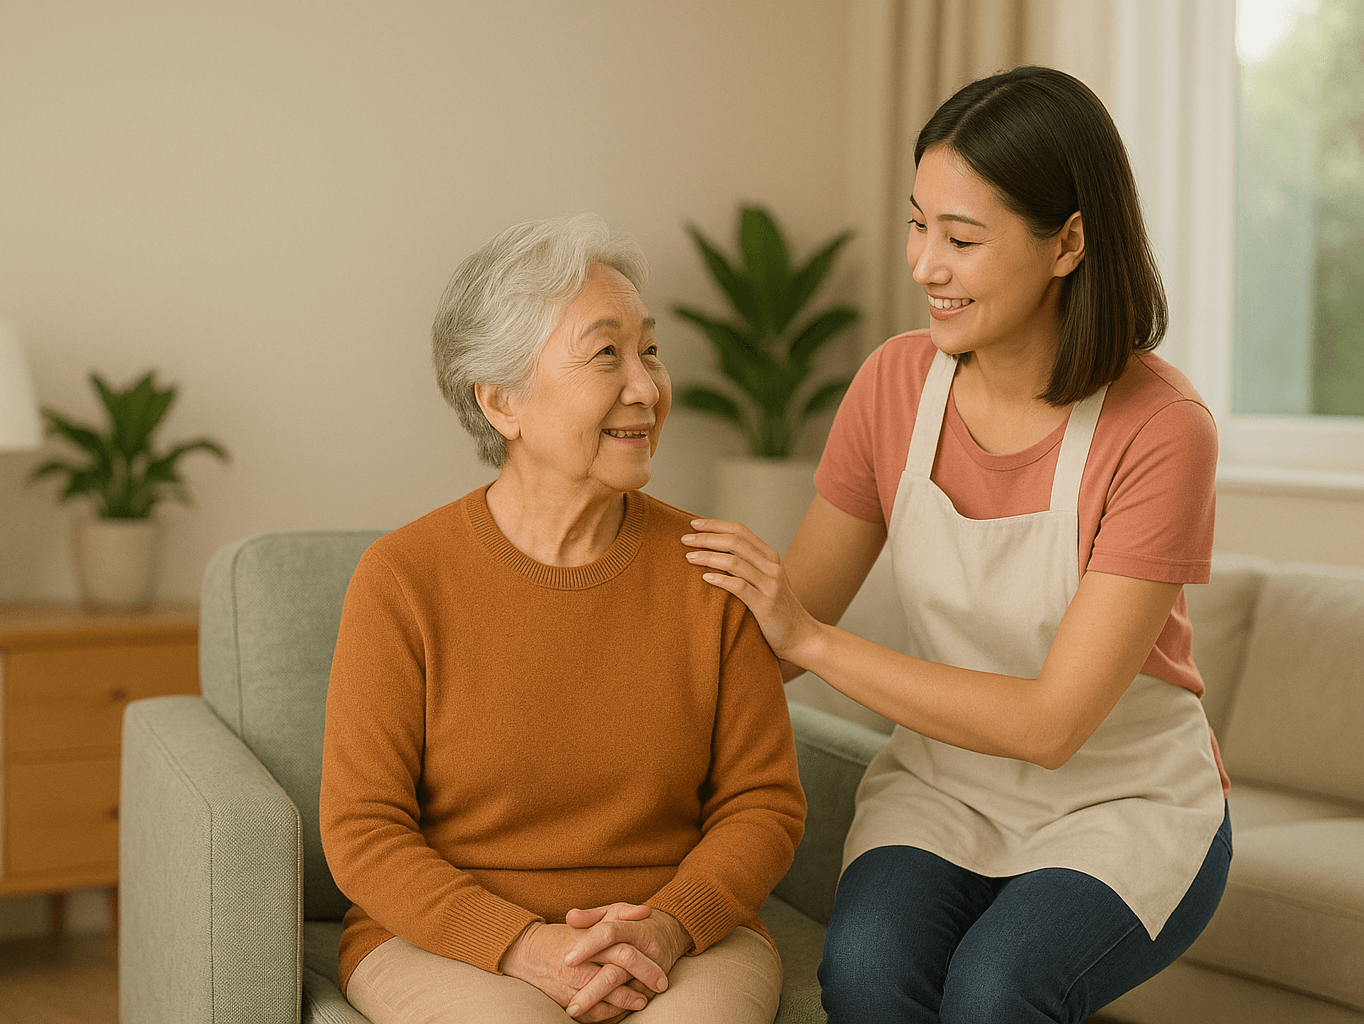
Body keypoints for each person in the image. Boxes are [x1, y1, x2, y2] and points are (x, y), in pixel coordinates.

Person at [681, 66, 1231, 1023]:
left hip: (1123, 805)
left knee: (997, 989)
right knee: (865, 977)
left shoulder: (1161, 428)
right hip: (944, 792)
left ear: (1067, 242)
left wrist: (811, 639)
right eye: (918, 222)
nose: (923, 264)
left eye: (962, 238)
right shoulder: (893, 386)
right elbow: (767, 641)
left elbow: (1051, 726)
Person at [320, 214, 806, 1024]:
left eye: (649, 349)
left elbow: (764, 803)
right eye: (605, 352)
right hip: (448, 942)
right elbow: (363, 830)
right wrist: (519, 944)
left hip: (679, 939)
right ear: (501, 400)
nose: (647, 387)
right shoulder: (403, 579)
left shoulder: (709, 570)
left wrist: (670, 926)